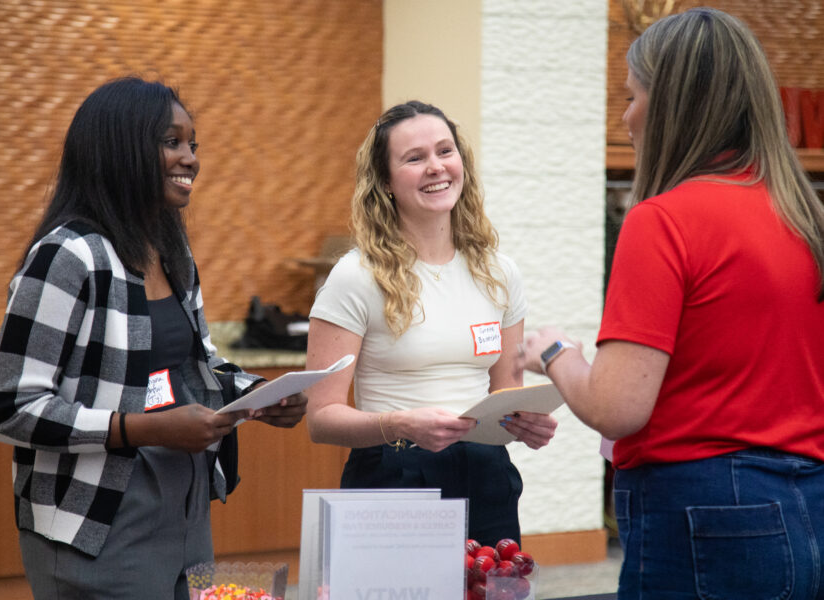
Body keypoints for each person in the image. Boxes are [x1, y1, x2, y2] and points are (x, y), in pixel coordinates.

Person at [517, 8, 824, 599]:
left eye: (632, 97)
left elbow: (617, 407)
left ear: (674, 106)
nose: (626, 116)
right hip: (806, 500)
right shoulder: (803, 218)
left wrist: (554, 351)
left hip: (703, 511)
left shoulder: (663, 221)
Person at [0, 77, 307, 599]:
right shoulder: (67, 257)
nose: (191, 159)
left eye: (193, 144)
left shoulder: (171, 254)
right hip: (98, 521)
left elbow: (197, 363)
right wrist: (142, 429)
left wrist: (260, 395)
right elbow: (8, 407)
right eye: (172, 141)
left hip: (185, 508)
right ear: (119, 148)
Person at [304, 100, 558, 547]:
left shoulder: (500, 272)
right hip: (393, 472)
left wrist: (525, 424)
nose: (436, 167)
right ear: (385, 181)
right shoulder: (355, 276)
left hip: (487, 474)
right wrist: (402, 424)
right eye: (414, 158)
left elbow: (504, 396)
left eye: (445, 151)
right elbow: (321, 418)